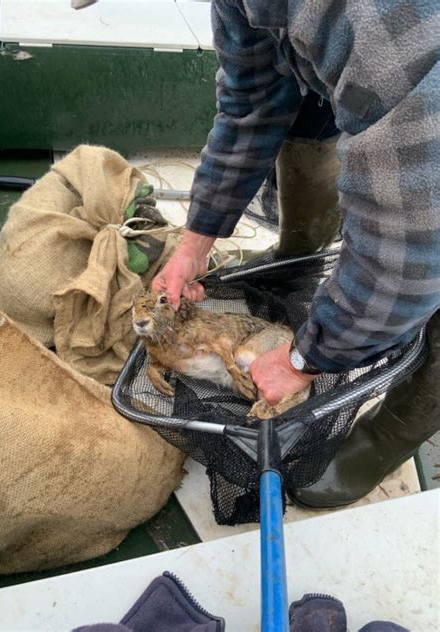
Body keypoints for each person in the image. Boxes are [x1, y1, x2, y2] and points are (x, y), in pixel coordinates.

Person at [153, 0, 440, 507]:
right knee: (307, 102)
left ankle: (392, 431)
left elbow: (416, 235)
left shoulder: (369, 18)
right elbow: (252, 101)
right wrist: (195, 240)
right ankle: (301, 257)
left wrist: (308, 359)